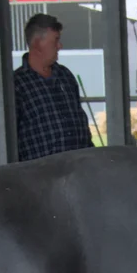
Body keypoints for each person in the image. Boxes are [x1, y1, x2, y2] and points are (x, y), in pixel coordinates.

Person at [13, 13, 94, 162]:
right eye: (55, 40)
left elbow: (80, 119)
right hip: (40, 176)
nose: (60, 46)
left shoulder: (65, 76)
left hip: (77, 169)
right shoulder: (17, 84)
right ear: (37, 43)